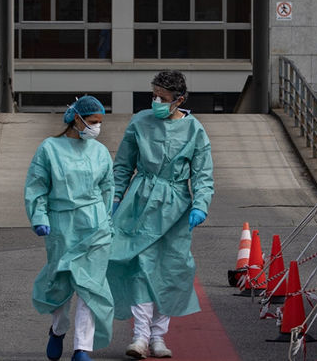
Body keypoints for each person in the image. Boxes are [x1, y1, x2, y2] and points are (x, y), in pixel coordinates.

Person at [107, 71, 215, 359]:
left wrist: (200, 204)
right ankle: (140, 336)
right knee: (141, 267)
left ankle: (158, 336)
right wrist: (115, 197)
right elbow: (123, 164)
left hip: (175, 207)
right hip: (140, 202)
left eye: (162, 98)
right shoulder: (140, 122)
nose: (155, 102)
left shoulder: (194, 130)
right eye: (153, 96)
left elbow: (202, 173)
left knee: (169, 270)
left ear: (179, 100)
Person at [24, 96, 115, 361]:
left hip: (95, 226)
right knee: (60, 284)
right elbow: (37, 186)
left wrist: (107, 221)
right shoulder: (49, 149)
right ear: (77, 118)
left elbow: (107, 188)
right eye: (93, 121)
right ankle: (58, 329)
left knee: (91, 288)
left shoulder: (100, 152)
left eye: (100, 122)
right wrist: (39, 216)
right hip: (62, 225)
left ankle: (82, 348)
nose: (97, 127)